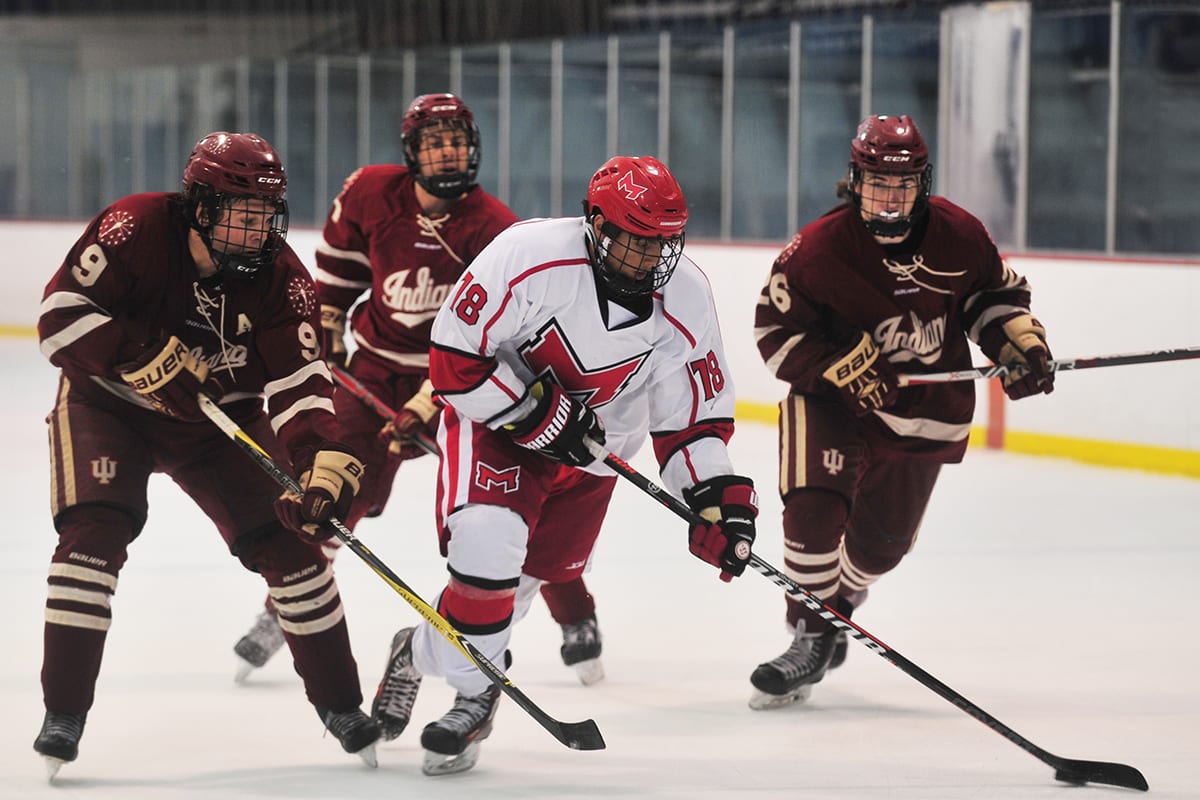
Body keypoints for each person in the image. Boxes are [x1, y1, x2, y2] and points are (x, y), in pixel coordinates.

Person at [369, 154, 759, 776]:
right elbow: (453, 360)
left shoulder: (685, 296)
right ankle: (475, 698)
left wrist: (716, 499)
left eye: (662, 243)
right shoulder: (529, 255)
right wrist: (537, 417)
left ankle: (415, 652)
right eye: (634, 242)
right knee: (487, 548)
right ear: (597, 226)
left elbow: (691, 420)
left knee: (518, 589)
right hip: (497, 426)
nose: (650, 259)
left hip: (598, 455)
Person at [229, 94, 608, 689]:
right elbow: (338, 270)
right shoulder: (370, 194)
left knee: (522, 501)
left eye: (456, 139)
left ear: (473, 147)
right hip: (374, 370)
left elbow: (497, 343)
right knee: (333, 487)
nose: (447, 150)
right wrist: (327, 322)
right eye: (434, 141)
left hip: (460, 383)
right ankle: (285, 611)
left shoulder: (498, 230)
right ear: (411, 151)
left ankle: (574, 613)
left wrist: (431, 399)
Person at [34, 131, 381, 777]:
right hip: (106, 406)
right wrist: (136, 358)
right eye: (241, 216)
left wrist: (318, 460)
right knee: (92, 539)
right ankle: (64, 713)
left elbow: (302, 386)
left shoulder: (284, 281)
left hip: (216, 425)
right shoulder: (133, 225)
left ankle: (341, 707)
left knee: (294, 555)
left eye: (265, 217)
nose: (257, 232)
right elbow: (59, 315)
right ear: (199, 205)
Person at [748, 114, 1055, 710]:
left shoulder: (960, 236)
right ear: (854, 181)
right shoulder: (815, 251)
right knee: (812, 509)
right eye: (877, 185)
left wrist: (1020, 342)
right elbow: (775, 334)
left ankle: (837, 610)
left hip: (925, 412)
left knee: (878, 550)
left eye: (903, 186)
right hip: (835, 404)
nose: (889, 199)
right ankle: (811, 634)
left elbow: (992, 298)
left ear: (923, 184)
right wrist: (840, 365)